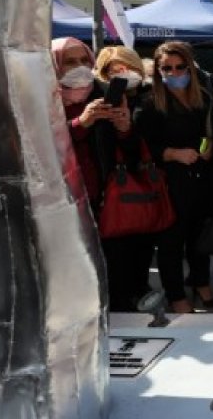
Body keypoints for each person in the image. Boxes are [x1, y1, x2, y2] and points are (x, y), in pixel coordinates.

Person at [54, 39, 146, 312]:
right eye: (70, 62)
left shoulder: (103, 93)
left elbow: (132, 151)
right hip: (60, 201)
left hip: (104, 197)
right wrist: (81, 123)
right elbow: (41, 146)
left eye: (85, 60)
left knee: (114, 266)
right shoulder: (43, 99)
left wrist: (124, 128)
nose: (80, 67)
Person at [134, 41, 213, 314]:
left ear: (190, 68)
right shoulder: (150, 103)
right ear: (158, 71)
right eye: (167, 68)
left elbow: (208, 134)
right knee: (172, 241)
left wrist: (207, 148)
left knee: (200, 236)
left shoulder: (202, 97)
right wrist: (172, 154)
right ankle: (176, 295)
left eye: (180, 67)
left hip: (202, 177)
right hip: (170, 181)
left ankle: (201, 282)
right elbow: (142, 146)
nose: (174, 72)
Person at [92, 45, 155, 312]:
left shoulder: (150, 97)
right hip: (110, 190)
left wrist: (127, 129)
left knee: (142, 249)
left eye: (128, 67)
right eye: (115, 70)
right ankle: (119, 304)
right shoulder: (96, 100)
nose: (123, 73)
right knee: (115, 253)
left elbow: (147, 147)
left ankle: (139, 296)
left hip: (145, 186)